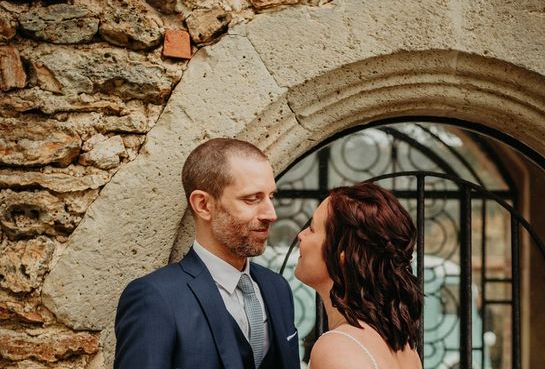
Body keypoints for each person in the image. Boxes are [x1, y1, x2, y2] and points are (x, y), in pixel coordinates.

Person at [115, 138, 300, 369]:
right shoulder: (155, 298)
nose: (271, 214)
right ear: (203, 205)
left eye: (271, 196)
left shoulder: (278, 288)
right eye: (252, 199)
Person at [295, 182, 423, 369]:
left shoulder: (338, 347)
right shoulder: (406, 350)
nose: (301, 235)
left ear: (343, 256)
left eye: (312, 229)